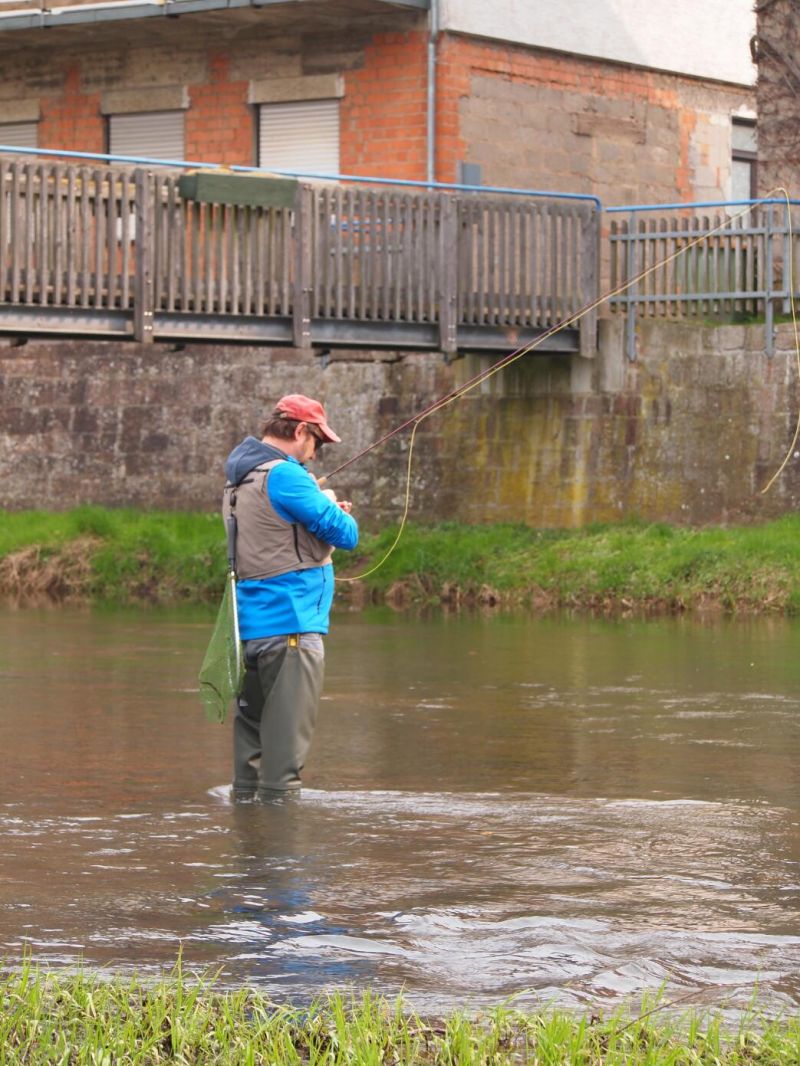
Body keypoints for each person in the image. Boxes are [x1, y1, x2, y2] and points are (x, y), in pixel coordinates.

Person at [223, 394, 358, 801]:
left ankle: (248, 852)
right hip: (293, 631)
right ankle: (282, 860)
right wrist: (335, 508)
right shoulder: (286, 475)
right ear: (301, 431)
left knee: (250, 765)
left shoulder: (239, 478)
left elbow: (275, 532)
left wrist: (315, 504)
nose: (315, 454)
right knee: (283, 770)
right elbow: (347, 535)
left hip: (248, 631)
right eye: (317, 443)